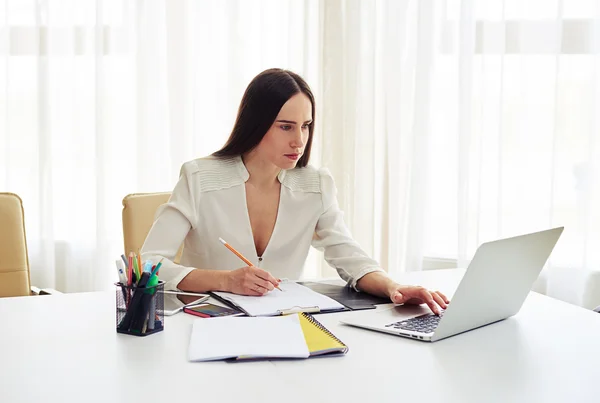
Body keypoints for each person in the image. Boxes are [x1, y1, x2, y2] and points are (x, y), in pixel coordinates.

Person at [141, 68, 449, 314]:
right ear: (256, 124)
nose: (298, 141)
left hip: (287, 326)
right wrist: (226, 280)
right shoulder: (199, 178)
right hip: (210, 326)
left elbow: (350, 258)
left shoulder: (316, 185)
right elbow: (148, 264)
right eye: (285, 126)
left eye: (306, 126)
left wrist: (393, 288)